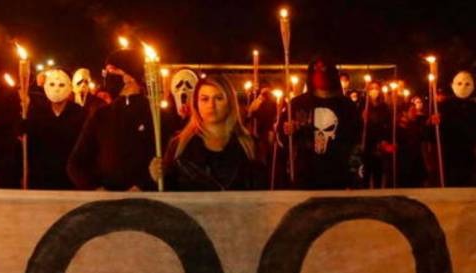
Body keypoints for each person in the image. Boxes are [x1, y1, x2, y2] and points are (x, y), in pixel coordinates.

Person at [67, 48, 164, 191]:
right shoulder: (101, 115)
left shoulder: (154, 114)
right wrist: (96, 189)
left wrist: (144, 184)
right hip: (106, 203)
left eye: (112, 71)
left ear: (129, 76)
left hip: (144, 203)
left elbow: (163, 163)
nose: (107, 77)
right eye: (106, 72)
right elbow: (75, 163)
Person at [149, 75, 265, 191]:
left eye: (218, 98)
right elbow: (169, 194)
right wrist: (158, 176)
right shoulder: (179, 144)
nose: (211, 105)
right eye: (205, 99)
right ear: (196, 103)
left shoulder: (249, 145)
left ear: (230, 102)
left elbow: (260, 193)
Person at [280, 56, 361, 190]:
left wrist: (355, 176)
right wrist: (288, 131)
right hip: (305, 176)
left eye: (323, 68)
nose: (319, 72)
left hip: (338, 177)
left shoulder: (347, 107)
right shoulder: (297, 104)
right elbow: (281, 141)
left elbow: (356, 143)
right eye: (315, 69)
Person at [25, 68, 85, 189]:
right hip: (42, 174)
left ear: (69, 87)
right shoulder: (36, 112)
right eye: (52, 84)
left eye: (61, 84)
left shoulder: (81, 113)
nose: (56, 89)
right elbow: (28, 136)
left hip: (69, 174)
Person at [435, 70, 476, 186]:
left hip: (468, 150)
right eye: (459, 83)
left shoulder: (473, 107)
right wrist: (433, 123)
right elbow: (433, 133)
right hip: (448, 150)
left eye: (467, 84)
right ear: (453, 85)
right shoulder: (444, 106)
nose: (463, 87)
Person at [361, 80, 393, 188]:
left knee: (377, 174)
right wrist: (362, 119)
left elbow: (388, 125)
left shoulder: (384, 107)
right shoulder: (363, 105)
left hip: (378, 144)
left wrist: (384, 140)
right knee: (365, 175)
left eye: (376, 88)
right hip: (365, 143)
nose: (374, 90)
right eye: (371, 88)